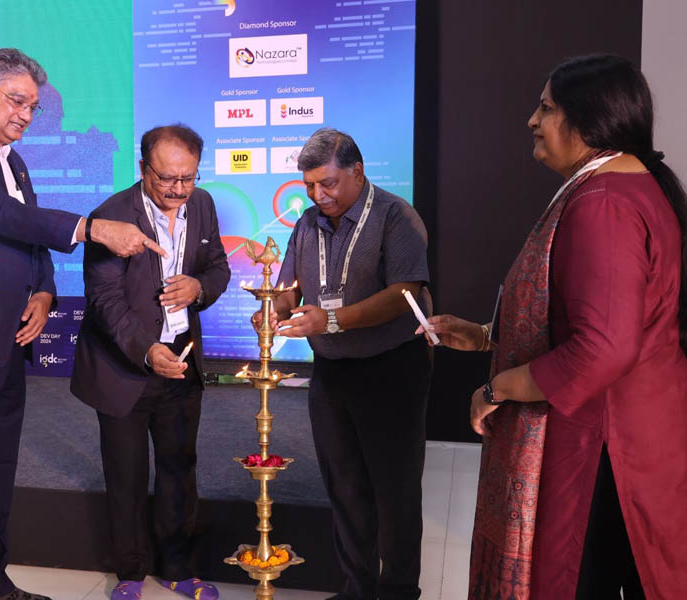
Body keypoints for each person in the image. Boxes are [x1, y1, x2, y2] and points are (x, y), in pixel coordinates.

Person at [419, 55, 687, 599]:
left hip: (603, 448)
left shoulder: (603, 201)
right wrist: (487, 336)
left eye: (546, 108)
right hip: (627, 434)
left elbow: (603, 349)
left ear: (589, 121)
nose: (531, 121)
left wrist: (497, 388)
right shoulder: (622, 188)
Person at [0, 47, 163, 600]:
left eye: (33, 106)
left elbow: (25, 232)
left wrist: (45, 288)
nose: (26, 114)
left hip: (5, 341)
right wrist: (91, 228)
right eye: (16, 101)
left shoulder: (13, 160)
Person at [256, 127, 432, 600]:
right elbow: (291, 287)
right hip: (331, 371)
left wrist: (330, 320)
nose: (318, 195)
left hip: (391, 368)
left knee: (394, 492)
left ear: (357, 172)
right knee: (345, 487)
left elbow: (404, 294)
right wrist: (272, 306)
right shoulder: (307, 223)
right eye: (310, 185)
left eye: (328, 183)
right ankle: (357, 589)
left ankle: (398, 592)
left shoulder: (397, 217)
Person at [70, 124, 230, 600]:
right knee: (126, 473)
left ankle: (180, 568)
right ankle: (131, 573)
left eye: (189, 178)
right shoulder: (112, 216)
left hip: (181, 362)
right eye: (167, 180)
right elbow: (105, 302)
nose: (179, 191)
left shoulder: (201, 204)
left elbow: (217, 266)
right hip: (124, 368)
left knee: (181, 468)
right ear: (143, 169)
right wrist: (146, 350)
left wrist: (199, 288)